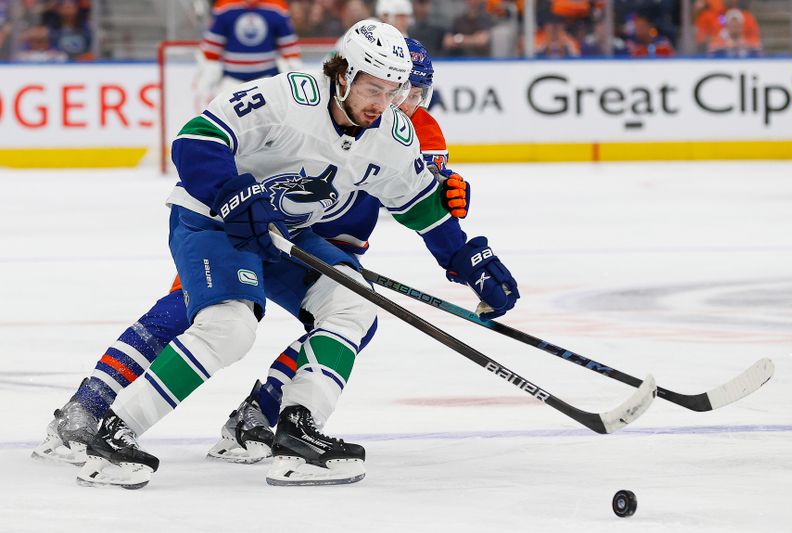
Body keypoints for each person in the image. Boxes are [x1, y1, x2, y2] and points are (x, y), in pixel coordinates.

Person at [67, 21, 519, 488]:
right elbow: (196, 138)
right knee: (229, 327)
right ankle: (115, 430)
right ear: (343, 74)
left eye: (393, 91)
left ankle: (298, 430)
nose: (382, 104)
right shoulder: (286, 98)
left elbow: (420, 203)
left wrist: (465, 257)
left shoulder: (393, 132)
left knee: (353, 306)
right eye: (372, 88)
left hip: (288, 232)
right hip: (214, 220)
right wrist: (233, 192)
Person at [195, 0, 302, 102]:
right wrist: (207, 82)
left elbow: (290, 50)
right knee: (227, 117)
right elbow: (212, 50)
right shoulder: (225, 6)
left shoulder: (277, 6)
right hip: (231, 80)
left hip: (267, 79)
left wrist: (295, 77)